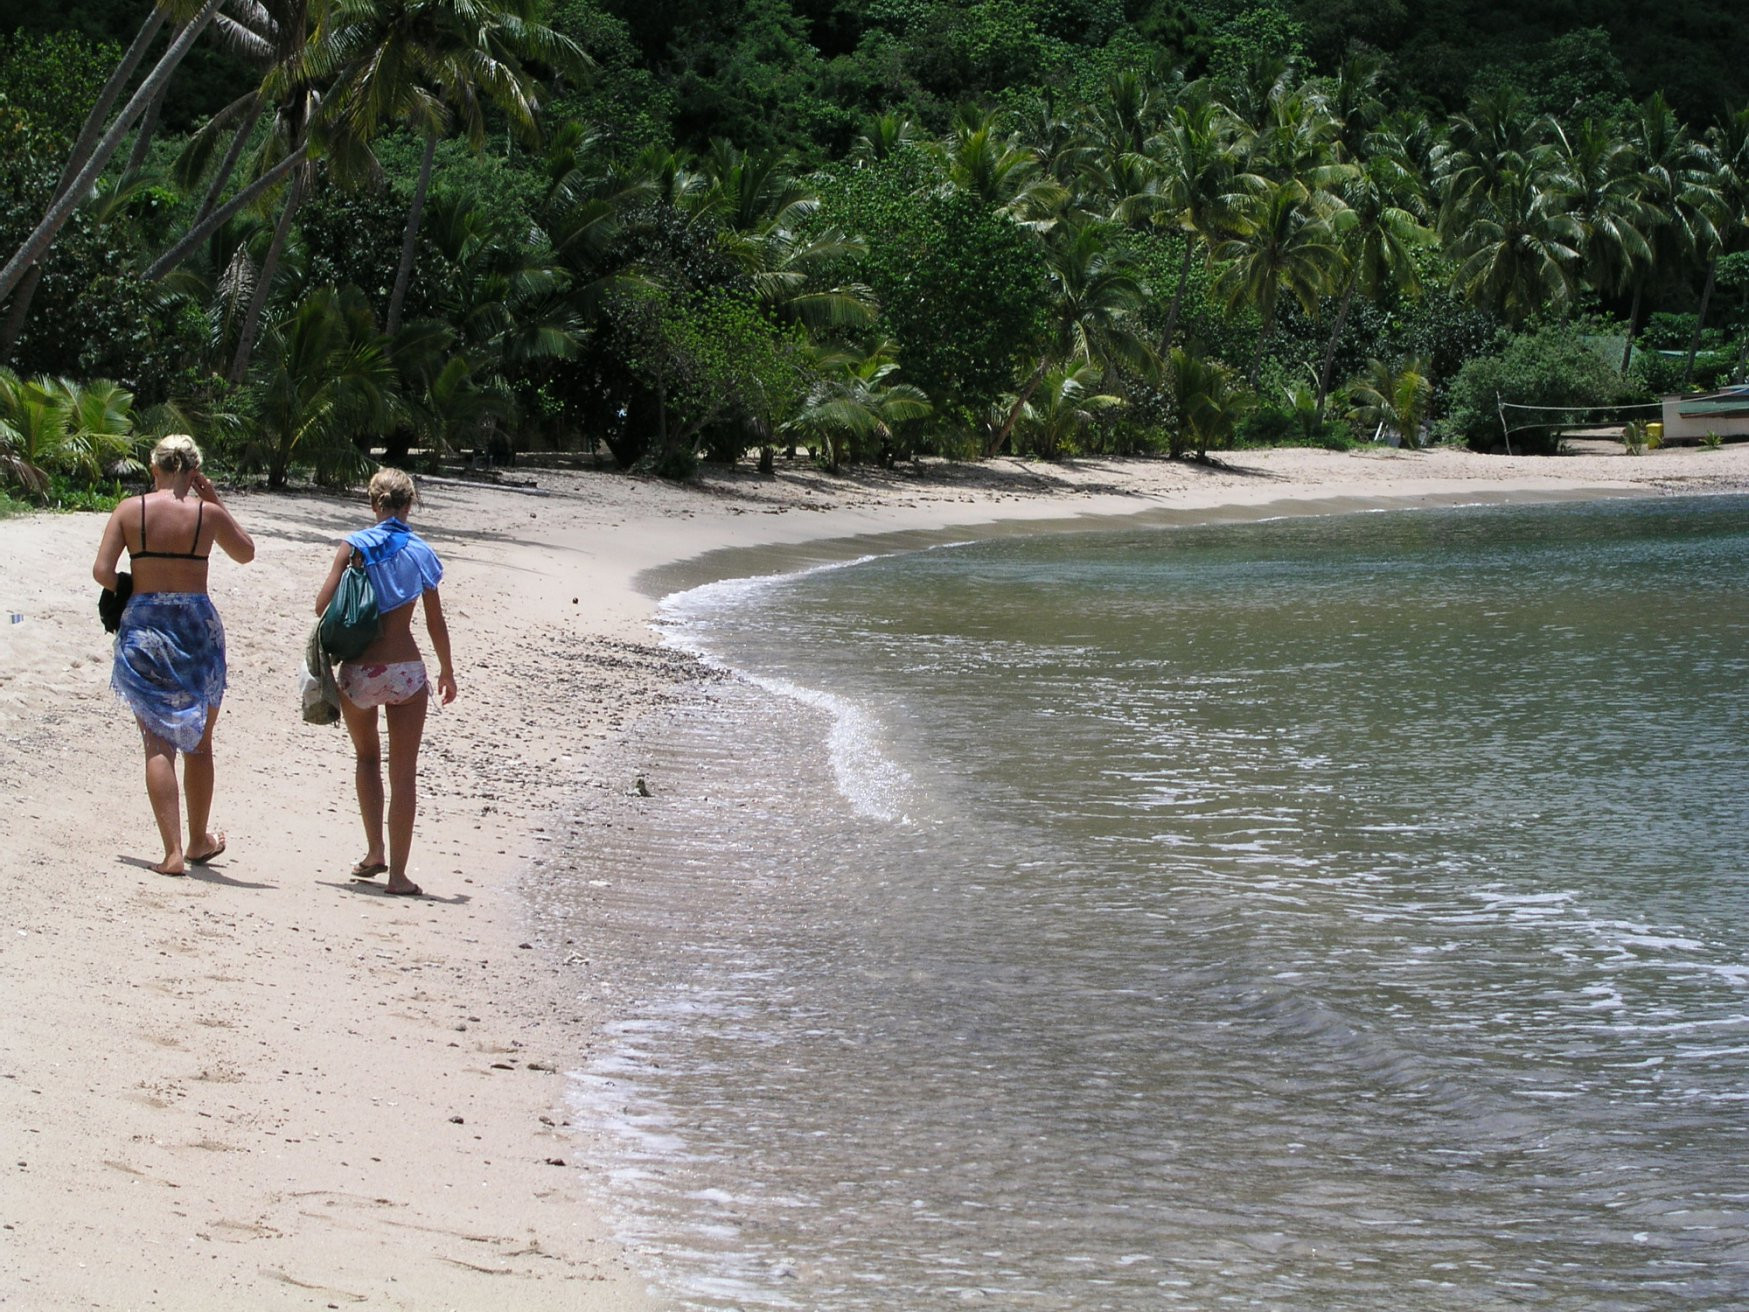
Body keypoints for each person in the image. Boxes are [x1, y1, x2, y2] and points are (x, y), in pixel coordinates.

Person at [93, 435, 255, 876]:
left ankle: (172, 852)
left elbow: (102, 572)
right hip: (196, 626)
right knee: (200, 744)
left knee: (156, 741)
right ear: (194, 470)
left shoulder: (131, 511)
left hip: (145, 625)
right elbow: (245, 553)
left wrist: (130, 588)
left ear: (154, 468)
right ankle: (200, 838)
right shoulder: (208, 515)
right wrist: (215, 499)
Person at [315, 468, 456, 896]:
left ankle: (374, 850)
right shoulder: (421, 552)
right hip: (406, 672)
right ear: (409, 505)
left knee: (367, 759)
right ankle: (397, 876)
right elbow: (434, 622)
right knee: (405, 774)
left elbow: (322, 604)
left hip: (359, 671)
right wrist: (447, 669)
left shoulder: (355, 546)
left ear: (373, 504)